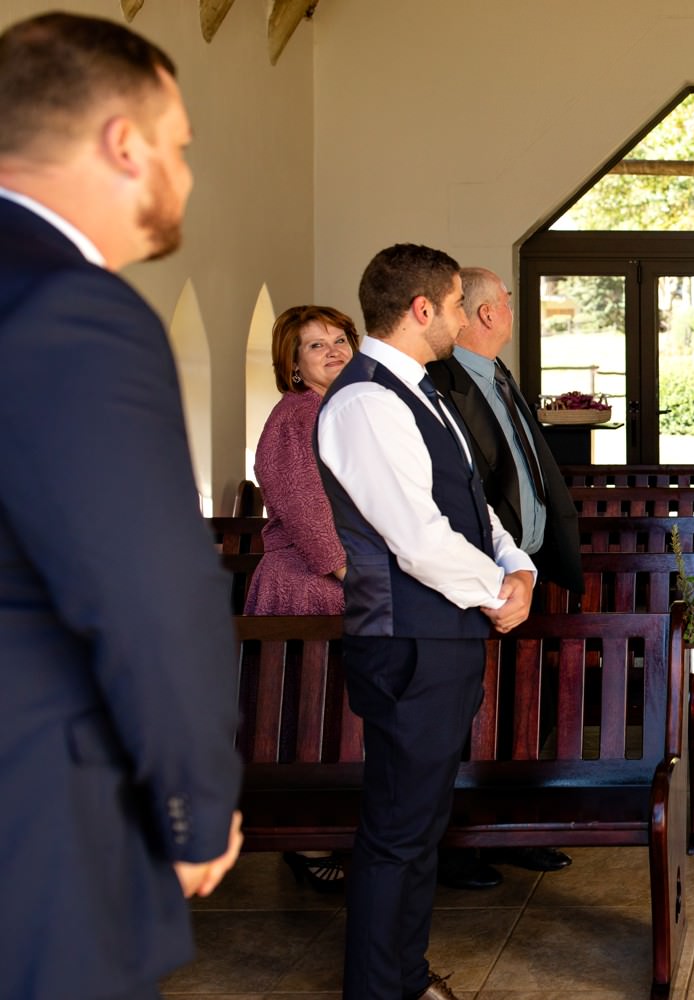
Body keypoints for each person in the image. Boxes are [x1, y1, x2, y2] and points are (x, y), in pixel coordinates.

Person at [0, 12, 243, 998]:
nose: (185, 177)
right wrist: (192, 804)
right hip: (36, 819)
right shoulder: (71, 307)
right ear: (123, 144)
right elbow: (151, 593)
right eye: (180, 148)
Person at [316, 243, 537, 1000]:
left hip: (441, 635)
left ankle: (403, 976)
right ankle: (381, 990)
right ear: (421, 310)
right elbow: (416, 536)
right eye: (451, 305)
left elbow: (469, 507)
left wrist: (519, 567)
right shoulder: (367, 400)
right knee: (398, 832)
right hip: (406, 640)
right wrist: (495, 591)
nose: (460, 317)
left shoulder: (421, 389)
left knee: (420, 826)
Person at [426, 265, 579, 888]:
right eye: (506, 304)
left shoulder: (497, 374)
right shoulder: (442, 381)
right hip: (478, 575)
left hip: (525, 567)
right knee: (469, 713)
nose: (506, 313)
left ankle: (513, 829)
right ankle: (460, 842)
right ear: (489, 314)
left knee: (522, 704)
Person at [245, 305, 357, 892]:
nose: (334, 351)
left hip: (341, 585)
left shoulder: (340, 408)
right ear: (292, 363)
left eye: (340, 340)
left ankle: (338, 827)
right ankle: (308, 838)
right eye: (316, 346)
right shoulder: (295, 418)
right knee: (306, 717)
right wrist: (352, 576)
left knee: (341, 713)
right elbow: (308, 514)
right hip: (308, 587)